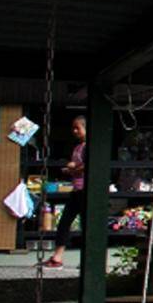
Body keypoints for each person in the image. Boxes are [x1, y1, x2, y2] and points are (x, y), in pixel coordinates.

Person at [44, 114, 88, 269]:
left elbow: (88, 165)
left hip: (86, 190)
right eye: (73, 128)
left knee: (86, 225)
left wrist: (73, 169)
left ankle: (87, 260)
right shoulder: (77, 147)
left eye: (78, 127)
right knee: (64, 223)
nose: (75, 131)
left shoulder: (90, 146)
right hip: (76, 190)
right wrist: (71, 169)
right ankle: (57, 257)